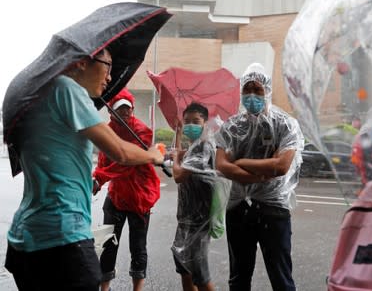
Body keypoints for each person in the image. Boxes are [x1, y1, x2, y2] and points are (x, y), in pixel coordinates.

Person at [4, 48, 164, 291]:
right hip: (62, 236)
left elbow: (56, 160)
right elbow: (118, 151)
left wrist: (86, 182)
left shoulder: (38, 97)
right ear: (80, 63)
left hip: (25, 238)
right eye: (107, 65)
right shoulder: (68, 89)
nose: (110, 76)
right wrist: (153, 155)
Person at [215, 63, 304, 291]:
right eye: (247, 90)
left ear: (267, 92)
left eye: (258, 90)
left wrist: (242, 163)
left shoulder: (285, 125)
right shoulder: (232, 126)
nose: (252, 95)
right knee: (239, 278)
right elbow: (221, 165)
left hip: (273, 210)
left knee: (281, 278)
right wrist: (263, 173)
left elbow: (282, 166)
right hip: (239, 210)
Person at [92, 87, 160, 291]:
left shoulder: (141, 131)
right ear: (112, 112)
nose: (125, 113)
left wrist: (102, 176)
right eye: (120, 109)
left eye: (128, 109)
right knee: (108, 244)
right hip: (116, 197)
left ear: (132, 110)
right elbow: (105, 162)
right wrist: (98, 179)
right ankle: (105, 287)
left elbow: (126, 160)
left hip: (140, 197)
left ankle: (137, 288)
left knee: (138, 246)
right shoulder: (107, 131)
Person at [171, 102, 229, 291]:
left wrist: (177, 159)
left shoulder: (203, 146)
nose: (190, 125)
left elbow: (179, 175)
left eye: (196, 121)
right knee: (184, 265)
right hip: (186, 218)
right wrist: (178, 134)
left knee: (199, 272)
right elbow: (181, 159)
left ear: (205, 123)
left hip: (199, 220)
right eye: (186, 121)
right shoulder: (194, 146)